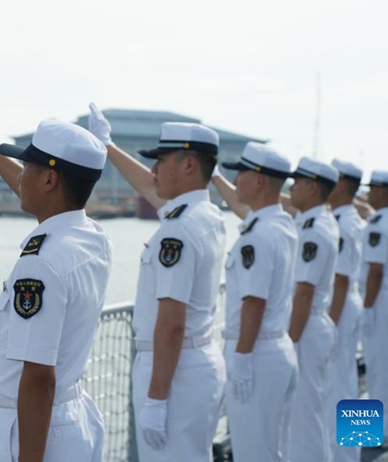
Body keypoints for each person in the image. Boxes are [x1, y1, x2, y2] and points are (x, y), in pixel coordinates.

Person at [0, 93, 110, 462]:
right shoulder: (91, 237)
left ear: (50, 179)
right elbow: (44, 197)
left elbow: (39, 378)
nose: (20, 175)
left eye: (27, 168)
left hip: (35, 431)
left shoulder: (40, 262)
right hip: (69, 417)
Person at [88, 104, 226, 461]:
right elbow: (152, 188)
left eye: (161, 161)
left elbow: (171, 324)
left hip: (175, 372)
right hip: (195, 362)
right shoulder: (204, 214)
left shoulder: (179, 229)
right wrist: (108, 146)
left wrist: (157, 398)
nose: (153, 169)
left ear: (189, 165)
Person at [210, 143, 298, 462]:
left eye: (241, 173)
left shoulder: (258, 235)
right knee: (274, 447)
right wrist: (215, 176)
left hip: (256, 350)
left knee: (254, 452)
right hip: (276, 344)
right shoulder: (280, 224)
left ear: (259, 180)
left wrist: (242, 357)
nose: (237, 180)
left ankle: (370, 440)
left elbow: (254, 302)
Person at [284, 157, 340, 461]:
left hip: (320, 316)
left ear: (313, 187)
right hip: (325, 315)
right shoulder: (318, 221)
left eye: (297, 182)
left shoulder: (317, 228)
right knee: (325, 399)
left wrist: (290, 343)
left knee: (318, 406)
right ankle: (356, 447)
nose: (291, 187)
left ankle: (358, 448)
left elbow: (310, 290)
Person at [326, 159, 367, 462]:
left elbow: (339, 281)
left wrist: (329, 327)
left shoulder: (341, 223)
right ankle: (354, 450)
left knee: (336, 385)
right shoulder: (351, 218)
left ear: (341, 184)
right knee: (348, 380)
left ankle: (344, 456)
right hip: (349, 303)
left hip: (338, 305)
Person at [360, 170, 388, 446]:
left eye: (372, 188)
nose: (369, 193)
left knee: (379, 370)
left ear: (383, 192)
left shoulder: (377, 224)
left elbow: (375, 271)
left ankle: (383, 433)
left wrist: (367, 308)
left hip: (377, 300)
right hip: (387, 297)